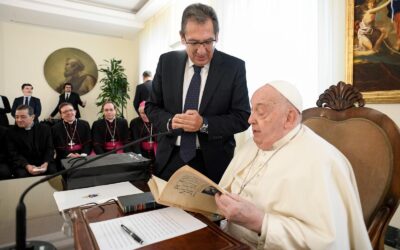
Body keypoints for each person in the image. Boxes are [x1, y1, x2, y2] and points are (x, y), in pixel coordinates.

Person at [214, 81, 371, 249]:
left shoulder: (322, 161)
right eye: (252, 110)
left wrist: (260, 222)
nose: (250, 119)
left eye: (260, 112)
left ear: (289, 118)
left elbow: (327, 241)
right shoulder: (251, 144)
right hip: (226, 240)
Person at [145, 3, 251, 183]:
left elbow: (242, 117)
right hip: (170, 158)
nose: (201, 51)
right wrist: (170, 121)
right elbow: (151, 107)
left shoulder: (234, 67)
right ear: (182, 37)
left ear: (216, 36)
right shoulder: (166, 62)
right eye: (193, 42)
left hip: (213, 164)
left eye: (208, 41)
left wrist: (204, 124)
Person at [7, 105, 57, 178]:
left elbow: (49, 148)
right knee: (22, 175)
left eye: (23, 117)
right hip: (23, 163)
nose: (18, 120)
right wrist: (27, 166)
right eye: (17, 117)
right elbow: (13, 153)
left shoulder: (45, 129)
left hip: (43, 161)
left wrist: (46, 163)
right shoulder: (11, 132)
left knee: (52, 171)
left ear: (33, 117)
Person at [51, 102, 92, 170]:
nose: (69, 113)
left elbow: (88, 142)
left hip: (83, 155)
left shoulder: (85, 124)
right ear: (61, 115)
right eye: (65, 111)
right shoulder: (55, 128)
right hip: (64, 156)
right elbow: (57, 145)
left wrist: (83, 155)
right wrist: (69, 155)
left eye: (71, 110)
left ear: (75, 112)